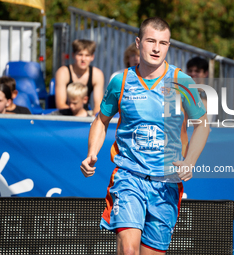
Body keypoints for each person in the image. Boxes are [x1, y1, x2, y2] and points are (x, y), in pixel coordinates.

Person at [80, 17, 210, 255]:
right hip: (129, 176)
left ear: (169, 45)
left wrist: (190, 161)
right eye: (151, 41)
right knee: (129, 250)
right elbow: (101, 120)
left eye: (163, 43)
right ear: (139, 43)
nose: (156, 48)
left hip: (165, 183)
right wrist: (92, 153)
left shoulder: (181, 81)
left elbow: (202, 124)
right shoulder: (121, 81)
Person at [55, 39, 104, 115]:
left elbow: (98, 105)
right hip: (65, 115)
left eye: (87, 55)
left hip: (85, 115)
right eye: (80, 55)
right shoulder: (63, 72)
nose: (83, 59)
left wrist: (94, 119)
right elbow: (60, 104)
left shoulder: (97, 74)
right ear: (73, 55)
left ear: (92, 57)